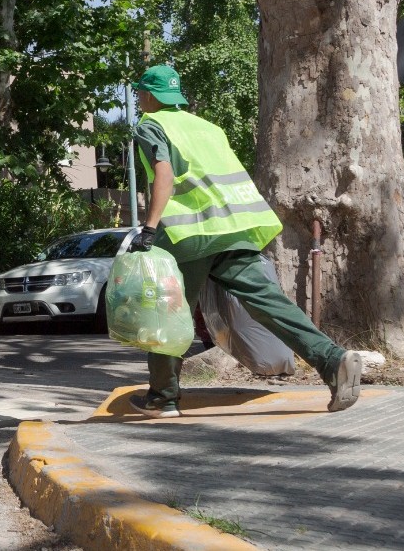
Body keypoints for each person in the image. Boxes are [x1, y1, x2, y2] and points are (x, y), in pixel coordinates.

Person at [128, 64, 369, 417]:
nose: (138, 99)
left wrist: (148, 229)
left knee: (169, 314)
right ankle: (333, 361)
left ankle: (163, 398)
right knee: (269, 303)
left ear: (149, 96)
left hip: (189, 235)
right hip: (234, 228)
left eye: (140, 94)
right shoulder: (208, 128)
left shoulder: (151, 126)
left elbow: (164, 175)